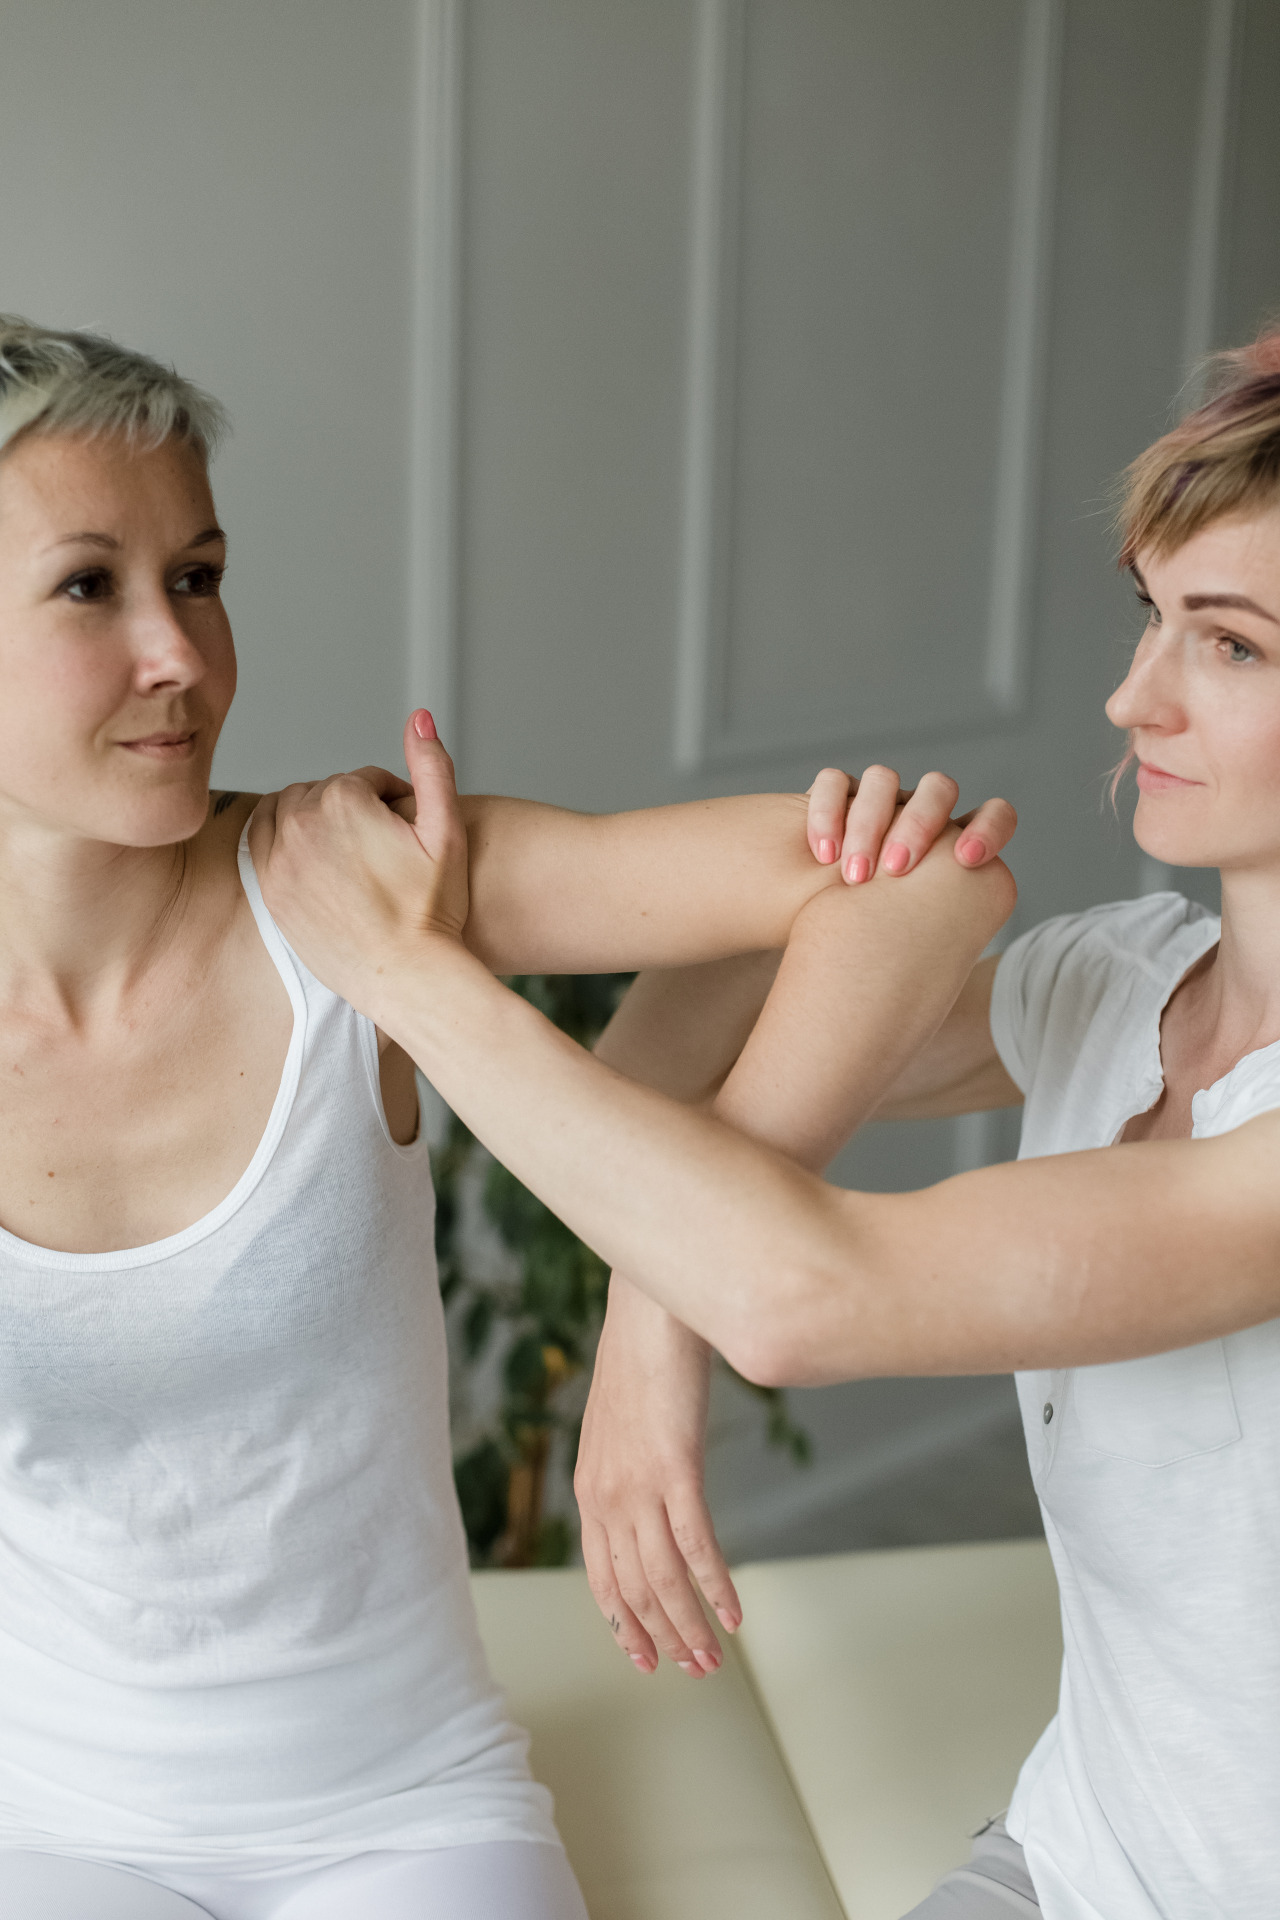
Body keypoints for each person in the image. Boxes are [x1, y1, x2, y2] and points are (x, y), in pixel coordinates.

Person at [251, 329, 1280, 1920]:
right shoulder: (1128, 989)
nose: (1130, 693)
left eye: (1233, 647)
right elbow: (780, 985)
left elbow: (806, 1292)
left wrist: (403, 970)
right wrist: (866, 871)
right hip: (1075, 1866)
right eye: (1150, 616)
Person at [0, 314, 1013, 1920]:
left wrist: (661, 1298)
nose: (182, 654)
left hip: (401, 1811)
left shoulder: (358, 883)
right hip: (41, 1820)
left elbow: (910, 886)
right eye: (88, 586)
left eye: (197, 574)